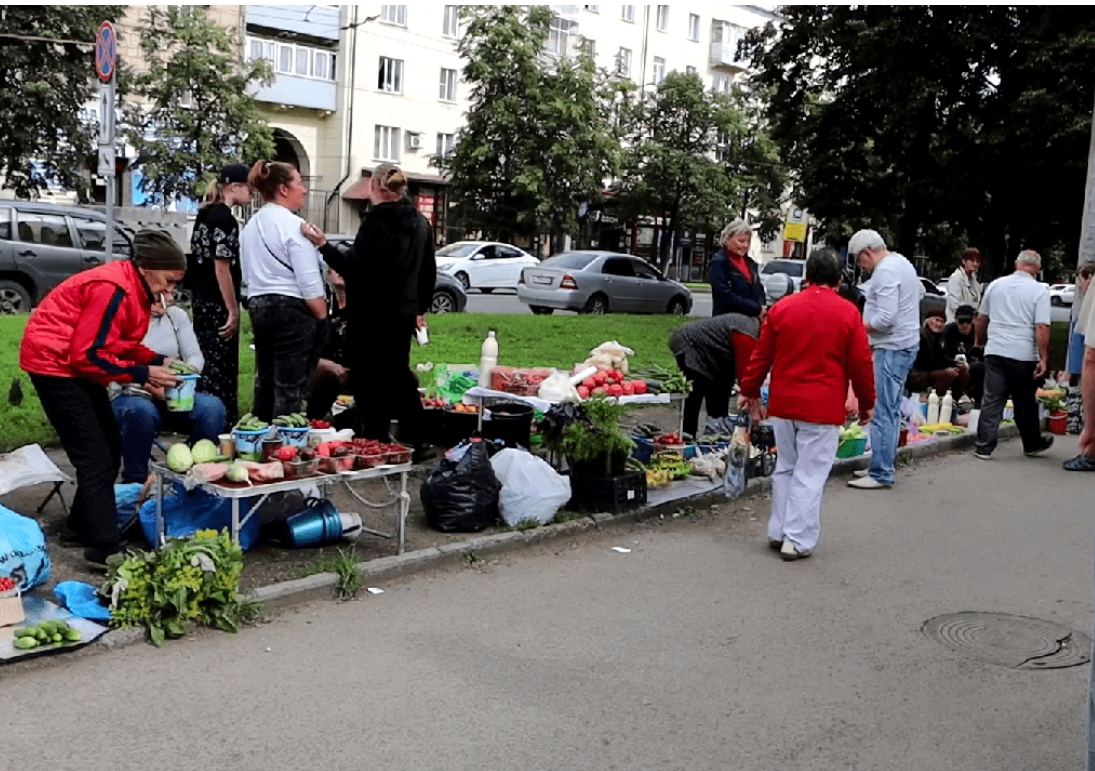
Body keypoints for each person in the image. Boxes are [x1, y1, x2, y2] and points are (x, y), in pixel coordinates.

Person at [19, 231, 185, 567]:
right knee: (93, 455)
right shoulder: (113, 289)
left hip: (75, 363)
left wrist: (155, 360)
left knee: (109, 444)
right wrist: (143, 374)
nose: (171, 290)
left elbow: (118, 341)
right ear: (148, 268)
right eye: (169, 281)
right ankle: (103, 548)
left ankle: (80, 525)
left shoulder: (135, 290)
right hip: (55, 364)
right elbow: (88, 355)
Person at [739, 248, 876, 561]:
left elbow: (761, 356)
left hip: (784, 404)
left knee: (786, 467)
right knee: (810, 473)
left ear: (805, 276)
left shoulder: (783, 308)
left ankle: (778, 530)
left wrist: (749, 391)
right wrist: (867, 403)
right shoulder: (848, 313)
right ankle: (796, 539)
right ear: (839, 280)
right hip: (823, 407)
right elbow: (861, 364)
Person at [301, 163, 436, 462]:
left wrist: (324, 246)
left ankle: (374, 438)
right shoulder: (420, 222)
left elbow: (354, 268)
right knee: (399, 375)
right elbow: (428, 272)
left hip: (370, 314)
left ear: (374, 186)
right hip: (402, 313)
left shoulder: (376, 223)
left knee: (368, 376)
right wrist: (419, 309)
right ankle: (419, 438)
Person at [239, 160, 328, 422]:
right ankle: (284, 449)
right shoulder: (294, 226)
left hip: (258, 307)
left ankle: (258, 438)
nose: (305, 189)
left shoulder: (251, 226)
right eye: (299, 183)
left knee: (264, 382)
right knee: (290, 389)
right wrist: (322, 316)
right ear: (283, 189)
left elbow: (247, 275)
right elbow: (309, 282)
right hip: (292, 311)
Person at [111, 300, 227, 484]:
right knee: (140, 412)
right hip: (131, 393)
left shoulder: (175, 316)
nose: (169, 296)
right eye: (161, 293)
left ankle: (195, 474)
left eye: (172, 290)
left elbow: (195, 356)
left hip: (174, 391)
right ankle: (136, 481)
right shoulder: (124, 316)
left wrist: (184, 375)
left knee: (212, 408)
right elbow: (113, 364)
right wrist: (151, 385)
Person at [846, 229, 921, 490]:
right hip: (903, 343)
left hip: (892, 347)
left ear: (868, 252)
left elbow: (886, 319)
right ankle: (880, 461)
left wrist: (859, 327)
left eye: (859, 259)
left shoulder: (886, 271)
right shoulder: (902, 263)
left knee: (884, 411)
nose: (860, 266)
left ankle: (881, 472)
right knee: (887, 409)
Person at [973, 249, 1054, 460]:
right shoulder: (1039, 291)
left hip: (996, 349)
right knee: (1024, 399)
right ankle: (1032, 443)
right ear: (1036, 268)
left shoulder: (996, 285)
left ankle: (984, 446)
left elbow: (981, 318)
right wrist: (1044, 358)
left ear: (1017, 264)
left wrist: (979, 342)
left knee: (992, 399)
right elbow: (1042, 327)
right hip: (1023, 353)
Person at [188, 163, 252, 426]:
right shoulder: (225, 220)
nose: (251, 193)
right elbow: (222, 267)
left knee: (204, 363)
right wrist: (233, 309)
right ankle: (220, 423)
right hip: (217, 303)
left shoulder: (205, 214)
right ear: (234, 186)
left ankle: (201, 419)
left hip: (201, 300)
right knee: (222, 369)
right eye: (249, 186)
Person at [668, 313, 760, 438]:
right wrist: (753, 400)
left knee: (721, 387)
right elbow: (745, 372)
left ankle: (716, 431)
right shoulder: (746, 332)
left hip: (712, 352)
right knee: (696, 388)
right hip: (689, 341)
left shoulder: (755, 332)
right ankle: (687, 435)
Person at [307, 266, 351, 422]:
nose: (339, 274)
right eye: (334, 269)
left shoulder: (364, 306)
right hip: (324, 368)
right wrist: (325, 364)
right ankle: (313, 422)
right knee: (327, 377)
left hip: (358, 369)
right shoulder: (321, 304)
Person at [906, 306, 970, 399]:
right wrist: (945, 370)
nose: (939, 324)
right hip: (917, 373)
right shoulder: (920, 337)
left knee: (963, 373)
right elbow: (923, 362)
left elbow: (942, 357)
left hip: (932, 371)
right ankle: (936, 401)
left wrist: (956, 365)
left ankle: (953, 401)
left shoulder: (940, 339)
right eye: (937, 320)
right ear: (928, 321)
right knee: (948, 375)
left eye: (942, 321)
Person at [941, 304, 985, 407]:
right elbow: (941, 354)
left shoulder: (980, 334)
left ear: (973, 321)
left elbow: (988, 362)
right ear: (956, 321)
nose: (965, 325)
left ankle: (980, 403)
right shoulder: (949, 331)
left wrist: (970, 366)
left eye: (968, 321)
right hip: (953, 367)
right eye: (961, 321)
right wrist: (954, 363)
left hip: (974, 370)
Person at [945, 247, 983, 323]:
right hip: (956, 323)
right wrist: (969, 314)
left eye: (977, 261)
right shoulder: (956, 277)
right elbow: (954, 304)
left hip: (970, 323)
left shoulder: (974, 280)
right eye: (972, 261)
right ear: (963, 261)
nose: (975, 264)